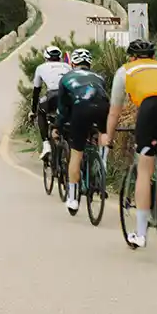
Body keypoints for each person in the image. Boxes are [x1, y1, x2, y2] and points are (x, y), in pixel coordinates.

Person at [100, 38, 157, 249]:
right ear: (153, 57)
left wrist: (109, 138)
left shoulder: (125, 71)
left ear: (131, 57)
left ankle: (140, 234)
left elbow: (115, 111)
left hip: (152, 107)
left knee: (144, 168)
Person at [57, 48, 109, 212]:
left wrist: (58, 126)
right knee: (103, 133)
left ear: (72, 64)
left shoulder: (66, 78)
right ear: (89, 64)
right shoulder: (99, 77)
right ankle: (102, 163)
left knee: (76, 153)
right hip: (103, 108)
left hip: (81, 109)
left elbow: (63, 109)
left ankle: (72, 198)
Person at [28, 45, 70, 158]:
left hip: (52, 96)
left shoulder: (41, 67)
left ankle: (46, 143)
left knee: (41, 111)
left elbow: (36, 90)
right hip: (68, 96)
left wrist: (33, 111)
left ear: (46, 57)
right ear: (60, 57)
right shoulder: (67, 66)